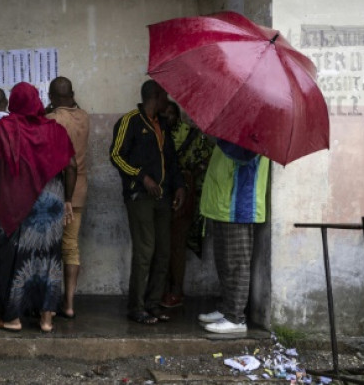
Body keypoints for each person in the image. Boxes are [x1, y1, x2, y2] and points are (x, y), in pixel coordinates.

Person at [0, 82, 77, 333]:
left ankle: (13, 318)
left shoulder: (5, 128)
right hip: (53, 199)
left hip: (21, 201)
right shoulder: (55, 130)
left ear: (13, 103)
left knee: (21, 258)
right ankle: (47, 320)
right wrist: (67, 199)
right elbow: (71, 165)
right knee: (50, 256)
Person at [109, 80, 185, 325]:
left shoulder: (162, 124)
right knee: (145, 251)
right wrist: (143, 177)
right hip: (139, 196)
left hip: (163, 197)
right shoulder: (129, 121)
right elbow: (116, 155)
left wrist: (179, 186)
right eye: (165, 95)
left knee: (163, 251)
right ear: (155, 95)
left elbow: (171, 159)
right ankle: (137, 307)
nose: (167, 100)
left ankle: (152, 304)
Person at [197, 139, 270, 334]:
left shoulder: (255, 134)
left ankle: (235, 317)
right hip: (223, 205)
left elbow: (243, 155)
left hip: (238, 206)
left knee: (236, 264)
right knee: (224, 262)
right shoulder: (234, 131)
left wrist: (219, 138)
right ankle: (226, 308)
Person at [160, 103, 213, 309]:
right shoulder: (158, 134)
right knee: (161, 245)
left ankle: (176, 290)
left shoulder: (191, 135)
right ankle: (162, 288)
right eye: (164, 113)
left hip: (184, 196)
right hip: (162, 194)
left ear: (179, 115)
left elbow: (208, 155)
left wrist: (192, 172)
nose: (167, 117)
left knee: (177, 245)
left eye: (171, 113)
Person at [44, 76, 90, 320]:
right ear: (72, 94)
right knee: (71, 247)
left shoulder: (51, 119)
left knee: (51, 248)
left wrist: (49, 108)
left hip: (58, 191)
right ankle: (69, 304)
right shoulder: (84, 116)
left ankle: (48, 304)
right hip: (80, 190)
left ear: (51, 97)